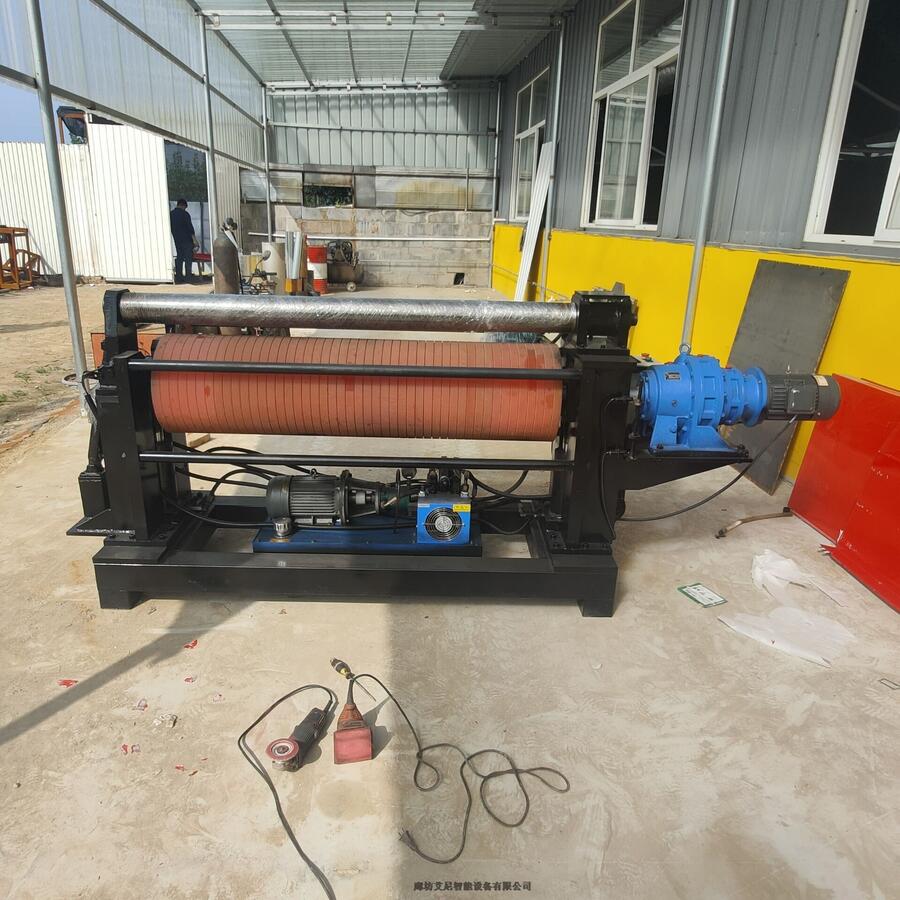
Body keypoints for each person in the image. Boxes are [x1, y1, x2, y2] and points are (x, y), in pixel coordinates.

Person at [170, 199, 197, 283]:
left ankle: (179, 277)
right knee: (188, 258)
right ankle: (188, 277)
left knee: (179, 257)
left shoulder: (171, 214)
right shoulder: (185, 214)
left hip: (177, 239)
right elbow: (190, 228)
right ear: (183, 206)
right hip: (187, 240)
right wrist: (195, 241)